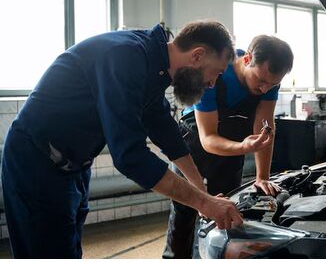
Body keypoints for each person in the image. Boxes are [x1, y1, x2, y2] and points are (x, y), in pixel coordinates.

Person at [0, 20, 244, 259]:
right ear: (197, 55)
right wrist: (204, 202)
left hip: (73, 167)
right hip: (36, 163)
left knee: (67, 250)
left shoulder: (154, 66)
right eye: (217, 73)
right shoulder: (126, 57)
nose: (212, 84)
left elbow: (167, 133)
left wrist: (203, 196)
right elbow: (130, 157)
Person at [163, 35, 294, 258]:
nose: (264, 89)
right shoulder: (215, 73)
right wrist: (243, 147)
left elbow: (264, 128)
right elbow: (208, 138)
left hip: (234, 145)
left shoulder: (268, 79)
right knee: (186, 210)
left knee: (228, 210)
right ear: (247, 60)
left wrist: (262, 177)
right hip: (196, 143)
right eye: (261, 80)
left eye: (272, 85)